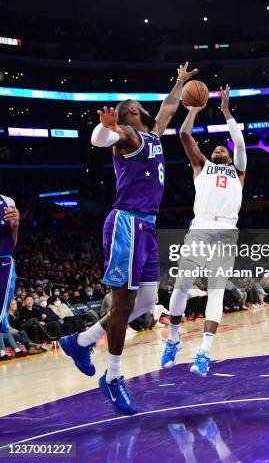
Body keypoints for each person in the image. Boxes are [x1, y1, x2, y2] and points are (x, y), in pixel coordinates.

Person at [60, 62, 197, 415]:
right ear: (131, 113)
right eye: (137, 105)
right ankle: (114, 377)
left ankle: (81, 341)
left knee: (147, 302)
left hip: (147, 227)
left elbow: (167, 108)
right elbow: (102, 139)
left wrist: (178, 83)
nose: (145, 107)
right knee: (122, 306)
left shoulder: (151, 135)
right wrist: (105, 129)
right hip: (127, 225)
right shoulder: (129, 137)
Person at [162, 85, 247, 377]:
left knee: (216, 293)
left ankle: (204, 353)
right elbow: (185, 136)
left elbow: (240, 143)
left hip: (226, 233)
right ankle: (173, 339)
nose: (220, 149)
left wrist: (226, 112)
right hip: (200, 229)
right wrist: (193, 111)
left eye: (223, 148)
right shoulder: (202, 165)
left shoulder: (239, 171)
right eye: (217, 149)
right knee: (182, 286)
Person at [0, 194, 19, 335]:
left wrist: (15, 225)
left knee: (4, 297)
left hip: (4, 258)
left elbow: (12, 243)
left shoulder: (8, 201)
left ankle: (4, 325)